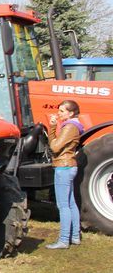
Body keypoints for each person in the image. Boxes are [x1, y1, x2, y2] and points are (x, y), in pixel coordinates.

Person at [45, 99, 83, 249]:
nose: (58, 114)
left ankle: (63, 240)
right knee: (71, 203)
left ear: (71, 112)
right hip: (69, 166)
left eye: (62, 111)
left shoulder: (70, 127)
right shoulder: (75, 126)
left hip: (63, 167)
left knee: (63, 205)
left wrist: (53, 127)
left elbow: (55, 147)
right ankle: (75, 236)